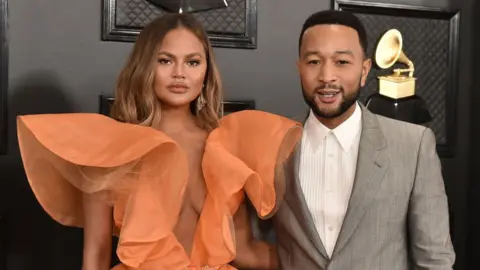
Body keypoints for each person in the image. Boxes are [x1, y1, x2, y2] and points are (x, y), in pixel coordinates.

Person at [16, 13, 301, 270]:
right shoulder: (112, 149)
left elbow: (245, 253)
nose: (180, 73)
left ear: (205, 73)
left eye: (192, 62)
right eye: (165, 60)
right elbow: (97, 254)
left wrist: (327, 260)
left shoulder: (227, 147)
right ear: (145, 67)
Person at [272, 10, 456, 269]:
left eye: (342, 62)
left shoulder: (413, 145)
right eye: (314, 62)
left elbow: (434, 259)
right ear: (299, 67)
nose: (327, 76)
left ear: (364, 69)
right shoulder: (271, 142)